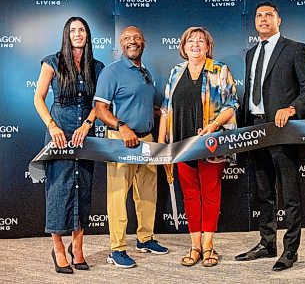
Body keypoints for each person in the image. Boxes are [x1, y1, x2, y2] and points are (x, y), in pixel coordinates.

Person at [235, 2, 305, 271]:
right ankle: (267, 243)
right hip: (255, 130)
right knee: (264, 191)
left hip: (283, 130)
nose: (263, 19)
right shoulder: (250, 53)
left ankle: (290, 250)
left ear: (279, 20)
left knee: (290, 194)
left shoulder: (295, 49)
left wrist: (293, 108)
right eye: (259, 15)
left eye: (269, 15)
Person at [158, 27, 239, 267]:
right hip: (182, 145)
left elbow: (231, 106)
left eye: (200, 41)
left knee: (210, 194)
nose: (195, 44)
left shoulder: (220, 70)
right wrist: (163, 140)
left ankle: (208, 246)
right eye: (190, 41)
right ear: (183, 47)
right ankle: (194, 246)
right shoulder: (175, 72)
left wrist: (213, 126)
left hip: (210, 144)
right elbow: (165, 108)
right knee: (191, 196)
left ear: (208, 46)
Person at [34, 16, 104, 274]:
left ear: (87, 34)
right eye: (73, 30)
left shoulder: (97, 67)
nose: (77, 33)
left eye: (82, 29)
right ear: (67, 34)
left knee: (82, 189)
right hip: (59, 135)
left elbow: (100, 104)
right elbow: (39, 99)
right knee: (58, 190)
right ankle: (59, 249)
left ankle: (78, 248)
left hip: (85, 136)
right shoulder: (52, 62)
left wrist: (87, 124)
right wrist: (53, 127)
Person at [94, 26, 168, 268]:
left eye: (137, 37)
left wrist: (161, 113)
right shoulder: (112, 71)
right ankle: (117, 249)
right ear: (121, 44)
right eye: (127, 38)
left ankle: (145, 238)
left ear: (144, 42)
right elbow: (100, 109)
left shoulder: (145, 72)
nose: (132, 41)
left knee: (147, 193)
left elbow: (144, 104)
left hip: (146, 139)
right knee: (117, 195)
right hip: (121, 140)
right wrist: (122, 126)